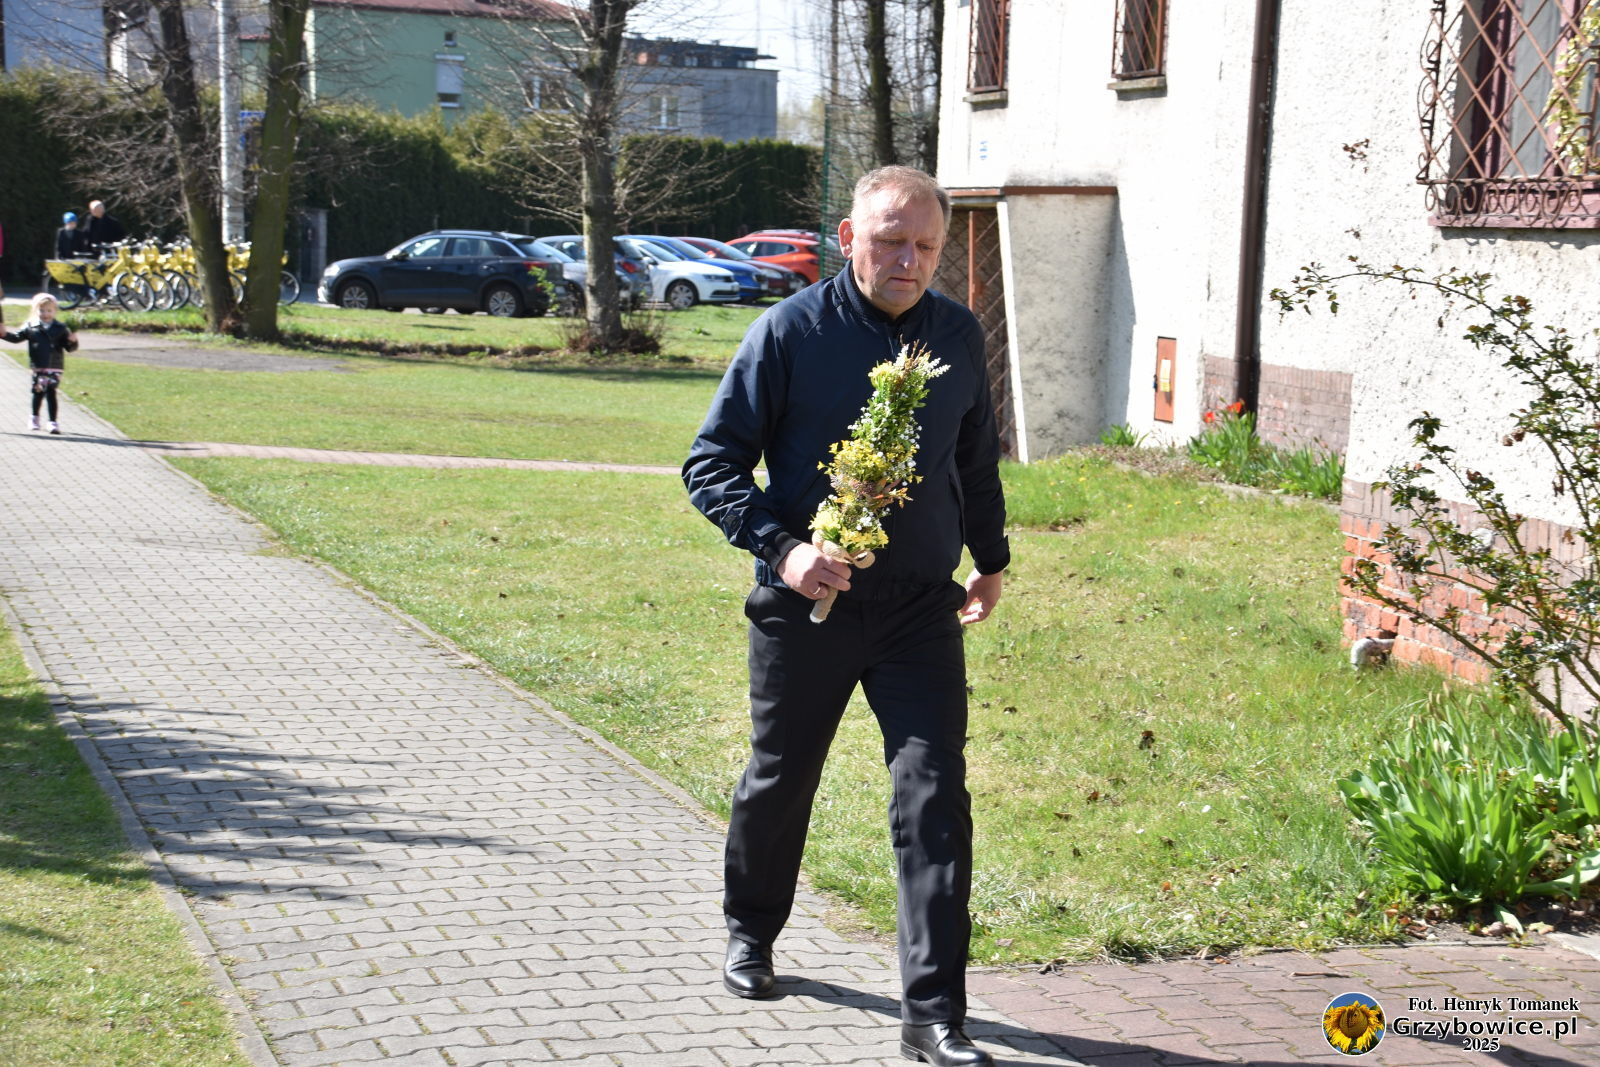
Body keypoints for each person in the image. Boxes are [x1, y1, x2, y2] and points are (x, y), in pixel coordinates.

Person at [682, 166, 1009, 1067]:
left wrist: (991, 559)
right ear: (848, 237)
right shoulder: (790, 332)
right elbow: (711, 464)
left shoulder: (957, 334)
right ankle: (751, 930)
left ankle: (933, 1014)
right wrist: (785, 550)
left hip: (919, 612)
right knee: (781, 778)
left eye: (927, 246)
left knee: (934, 795)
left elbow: (974, 459)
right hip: (806, 610)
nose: (910, 261)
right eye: (891, 241)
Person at [5, 293, 78, 434]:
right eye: (42, 310)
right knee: (38, 392)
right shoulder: (31, 327)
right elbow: (16, 338)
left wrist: (72, 341)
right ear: (36, 310)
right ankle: (34, 418)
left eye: (49, 310)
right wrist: (3, 334)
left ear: (55, 311)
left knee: (51, 392)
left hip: (55, 367)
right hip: (39, 367)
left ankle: (52, 422)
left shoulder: (61, 328)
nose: (45, 314)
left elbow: (69, 348)